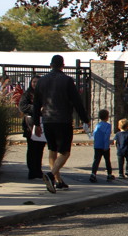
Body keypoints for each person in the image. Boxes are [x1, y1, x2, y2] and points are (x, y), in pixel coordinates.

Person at [33, 54, 90, 193]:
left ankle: (58, 181)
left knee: (52, 150)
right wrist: (85, 119)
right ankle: (51, 175)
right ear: (62, 66)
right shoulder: (67, 80)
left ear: (50, 65)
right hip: (63, 120)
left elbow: (36, 104)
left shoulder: (41, 81)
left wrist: (36, 123)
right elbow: (77, 101)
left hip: (47, 119)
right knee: (65, 152)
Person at [18, 75, 45, 180]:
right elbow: (23, 107)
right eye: (34, 82)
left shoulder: (44, 94)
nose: (35, 84)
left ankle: (38, 170)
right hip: (30, 124)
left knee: (40, 148)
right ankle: (32, 171)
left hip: (42, 124)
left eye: (37, 82)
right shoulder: (27, 94)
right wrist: (36, 108)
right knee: (32, 148)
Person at [89, 109, 114, 182]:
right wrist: (106, 146)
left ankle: (93, 174)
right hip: (104, 146)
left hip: (97, 145)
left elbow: (94, 134)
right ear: (107, 117)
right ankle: (109, 174)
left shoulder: (97, 125)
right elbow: (106, 136)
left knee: (96, 160)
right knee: (107, 160)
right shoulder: (108, 126)